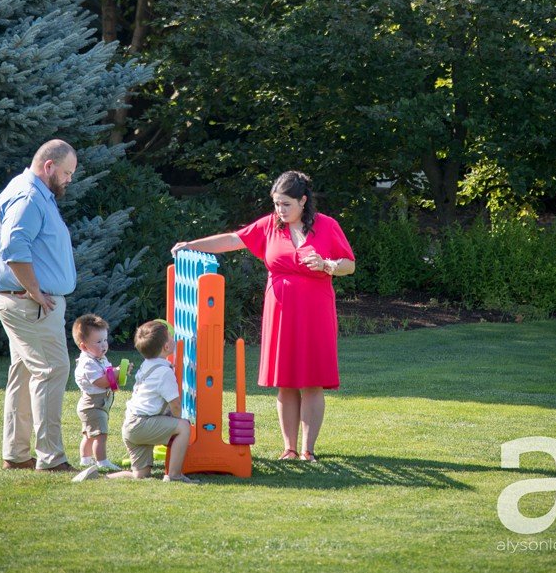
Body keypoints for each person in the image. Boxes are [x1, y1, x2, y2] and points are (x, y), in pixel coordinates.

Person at [172, 171, 355, 460]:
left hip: (316, 310)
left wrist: (326, 264)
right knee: (285, 381)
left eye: (286, 204)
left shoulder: (327, 226)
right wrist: (192, 244)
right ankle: (290, 449)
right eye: (276, 204)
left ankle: (308, 450)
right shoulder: (270, 226)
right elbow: (233, 239)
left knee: (312, 380)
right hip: (280, 310)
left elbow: (349, 265)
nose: (280, 210)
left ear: (303, 201)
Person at [0, 138, 80, 472]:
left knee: (25, 374)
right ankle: (51, 458)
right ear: (49, 166)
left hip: (24, 302)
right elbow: (14, 247)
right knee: (53, 370)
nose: (69, 179)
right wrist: (37, 292)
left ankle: (16, 454)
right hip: (30, 305)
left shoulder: (35, 193)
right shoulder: (28, 195)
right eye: (67, 172)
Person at [80, 318, 197, 482]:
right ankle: (175, 475)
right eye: (171, 336)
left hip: (131, 427)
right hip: (142, 424)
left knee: (140, 475)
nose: (173, 337)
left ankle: (100, 478)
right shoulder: (165, 373)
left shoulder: (148, 364)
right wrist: (176, 421)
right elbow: (175, 404)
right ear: (166, 347)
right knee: (184, 427)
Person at [71, 313, 121, 475]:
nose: (104, 345)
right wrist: (116, 373)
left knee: (90, 434)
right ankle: (102, 461)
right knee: (100, 434)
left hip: (97, 403)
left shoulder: (99, 358)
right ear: (84, 346)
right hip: (92, 404)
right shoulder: (87, 363)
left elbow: (108, 375)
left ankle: (85, 458)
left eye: (105, 340)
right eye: (98, 342)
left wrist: (118, 373)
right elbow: (101, 382)